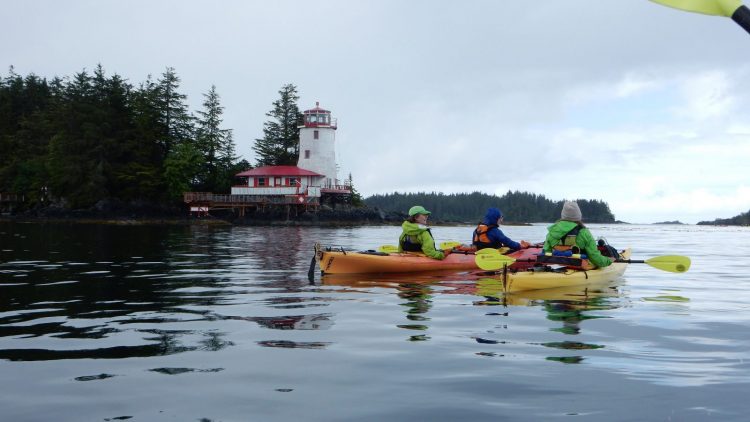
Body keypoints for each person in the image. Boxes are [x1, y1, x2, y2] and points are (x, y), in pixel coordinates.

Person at [543, 201, 612, 268]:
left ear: (563, 215)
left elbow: (545, 252)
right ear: (578, 216)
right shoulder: (584, 233)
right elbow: (596, 259)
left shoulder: (552, 231)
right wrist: (609, 260)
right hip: (577, 267)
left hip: (556, 266)